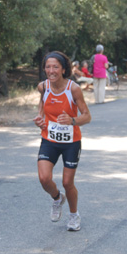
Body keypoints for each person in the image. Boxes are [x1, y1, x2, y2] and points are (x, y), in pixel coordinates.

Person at [34, 51, 91, 231]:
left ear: (63, 69)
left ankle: (74, 215)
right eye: (48, 67)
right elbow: (42, 106)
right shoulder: (43, 87)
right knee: (44, 178)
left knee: (68, 182)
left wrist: (72, 120)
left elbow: (87, 116)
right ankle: (57, 198)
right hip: (49, 139)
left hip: (71, 142)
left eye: (55, 67)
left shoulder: (73, 89)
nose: (51, 70)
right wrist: (40, 119)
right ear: (44, 69)